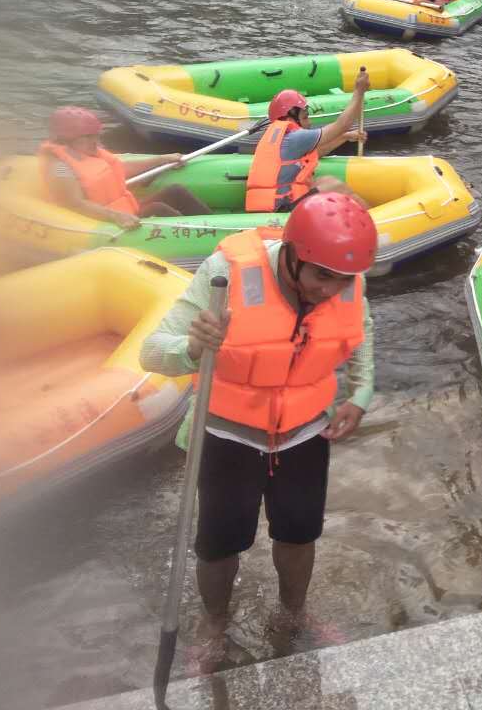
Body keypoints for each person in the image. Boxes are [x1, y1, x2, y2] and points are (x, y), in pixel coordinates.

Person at [141, 192, 376, 641]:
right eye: (322, 276)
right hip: (230, 436)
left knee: (299, 534)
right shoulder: (223, 275)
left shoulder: (346, 284)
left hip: (305, 434)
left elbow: (362, 332)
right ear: (292, 254)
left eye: (343, 280)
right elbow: (151, 351)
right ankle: (213, 622)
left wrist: (360, 393)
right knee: (219, 544)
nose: (331, 290)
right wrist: (192, 348)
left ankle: (294, 612)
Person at [40, 106, 211, 229]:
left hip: (126, 211)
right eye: (88, 137)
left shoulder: (88, 152)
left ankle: (212, 224)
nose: (96, 142)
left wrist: (160, 160)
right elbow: (74, 203)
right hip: (106, 224)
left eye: (96, 136)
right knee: (158, 209)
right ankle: (207, 235)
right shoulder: (59, 168)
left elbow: (120, 170)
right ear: (68, 138)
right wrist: (116, 216)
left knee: (176, 191)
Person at [245, 71, 371, 213]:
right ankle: (373, 220)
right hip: (281, 210)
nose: (309, 123)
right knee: (334, 185)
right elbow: (342, 125)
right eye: (305, 117)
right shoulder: (295, 138)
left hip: (272, 205)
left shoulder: (280, 137)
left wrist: (344, 137)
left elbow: (316, 152)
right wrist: (359, 91)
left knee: (323, 181)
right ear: (291, 116)